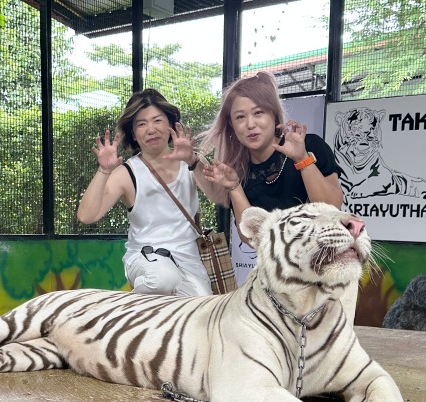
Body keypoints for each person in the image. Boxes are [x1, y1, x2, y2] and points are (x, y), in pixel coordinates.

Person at [77, 88, 222, 296]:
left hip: (189, 260)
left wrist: (192, 160)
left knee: (202, 311)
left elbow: (216, 195)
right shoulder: (127, 173)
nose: (151, 129)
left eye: (157, 120)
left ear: (171, 124)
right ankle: (125, 314)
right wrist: (104, 171)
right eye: (141, 124)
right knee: (163, 278)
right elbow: (86, 216)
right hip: (146, 259)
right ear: (134, 134)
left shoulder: (191, 161)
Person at [200, 71, 344, 243]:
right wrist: (234, 187)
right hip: (280, 265)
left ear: (273, 114)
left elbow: (332, 207)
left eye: (258, 113)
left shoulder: (310, 145)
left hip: (323, 259)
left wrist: (302, 159)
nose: (250, 124)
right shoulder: (238, 170)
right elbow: (251, 237)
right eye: (240, 117)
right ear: (231, 124)